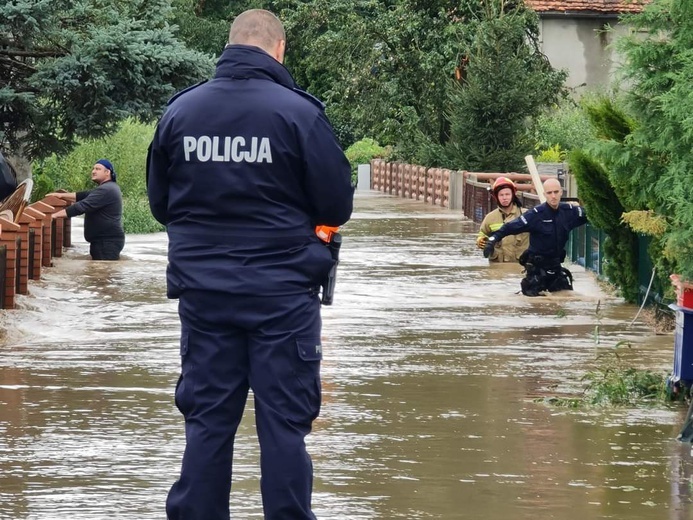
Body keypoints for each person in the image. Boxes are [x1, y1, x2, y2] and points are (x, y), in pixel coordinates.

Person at [146, 9, 354, 520]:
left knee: (208, 421)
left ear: (231, 44)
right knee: (284, 424)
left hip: (204, 295)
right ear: (278, 49)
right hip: (283, 296)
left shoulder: (180, 112)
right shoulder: (299, 114)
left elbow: (159, 204)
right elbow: (335, 206)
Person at [484, 178, 587, 296]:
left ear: (561, 192)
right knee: (533, 306)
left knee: (565, 298)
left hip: (556, 268)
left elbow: (594, 215)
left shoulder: (569, 211)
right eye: (549, 193)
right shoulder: (535, 215)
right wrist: (491, 241)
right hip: (536, 270)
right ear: (544, 194)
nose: (553, 196)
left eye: (556, 192)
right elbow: (509, 227)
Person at [49, 159, 125, 260]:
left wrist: (54, 215)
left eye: (98, 169)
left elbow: (81, 206)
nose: (93, 171)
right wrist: (61, 195)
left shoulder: (106, 190)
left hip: (106, 243)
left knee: (103, 274)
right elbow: (83, 195)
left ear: (107, 173)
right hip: (105, 242)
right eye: (93, 169)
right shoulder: (108, 187)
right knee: (101, 272)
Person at [476, 177, 528, 262]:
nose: (504, 198)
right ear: (496, 197)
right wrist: (481, 240)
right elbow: (482, 233)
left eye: (507, 194)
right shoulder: (490, 218)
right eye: (501, 195)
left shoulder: (526, 215)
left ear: (513, 195)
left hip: (519, 267)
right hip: (497, 267)